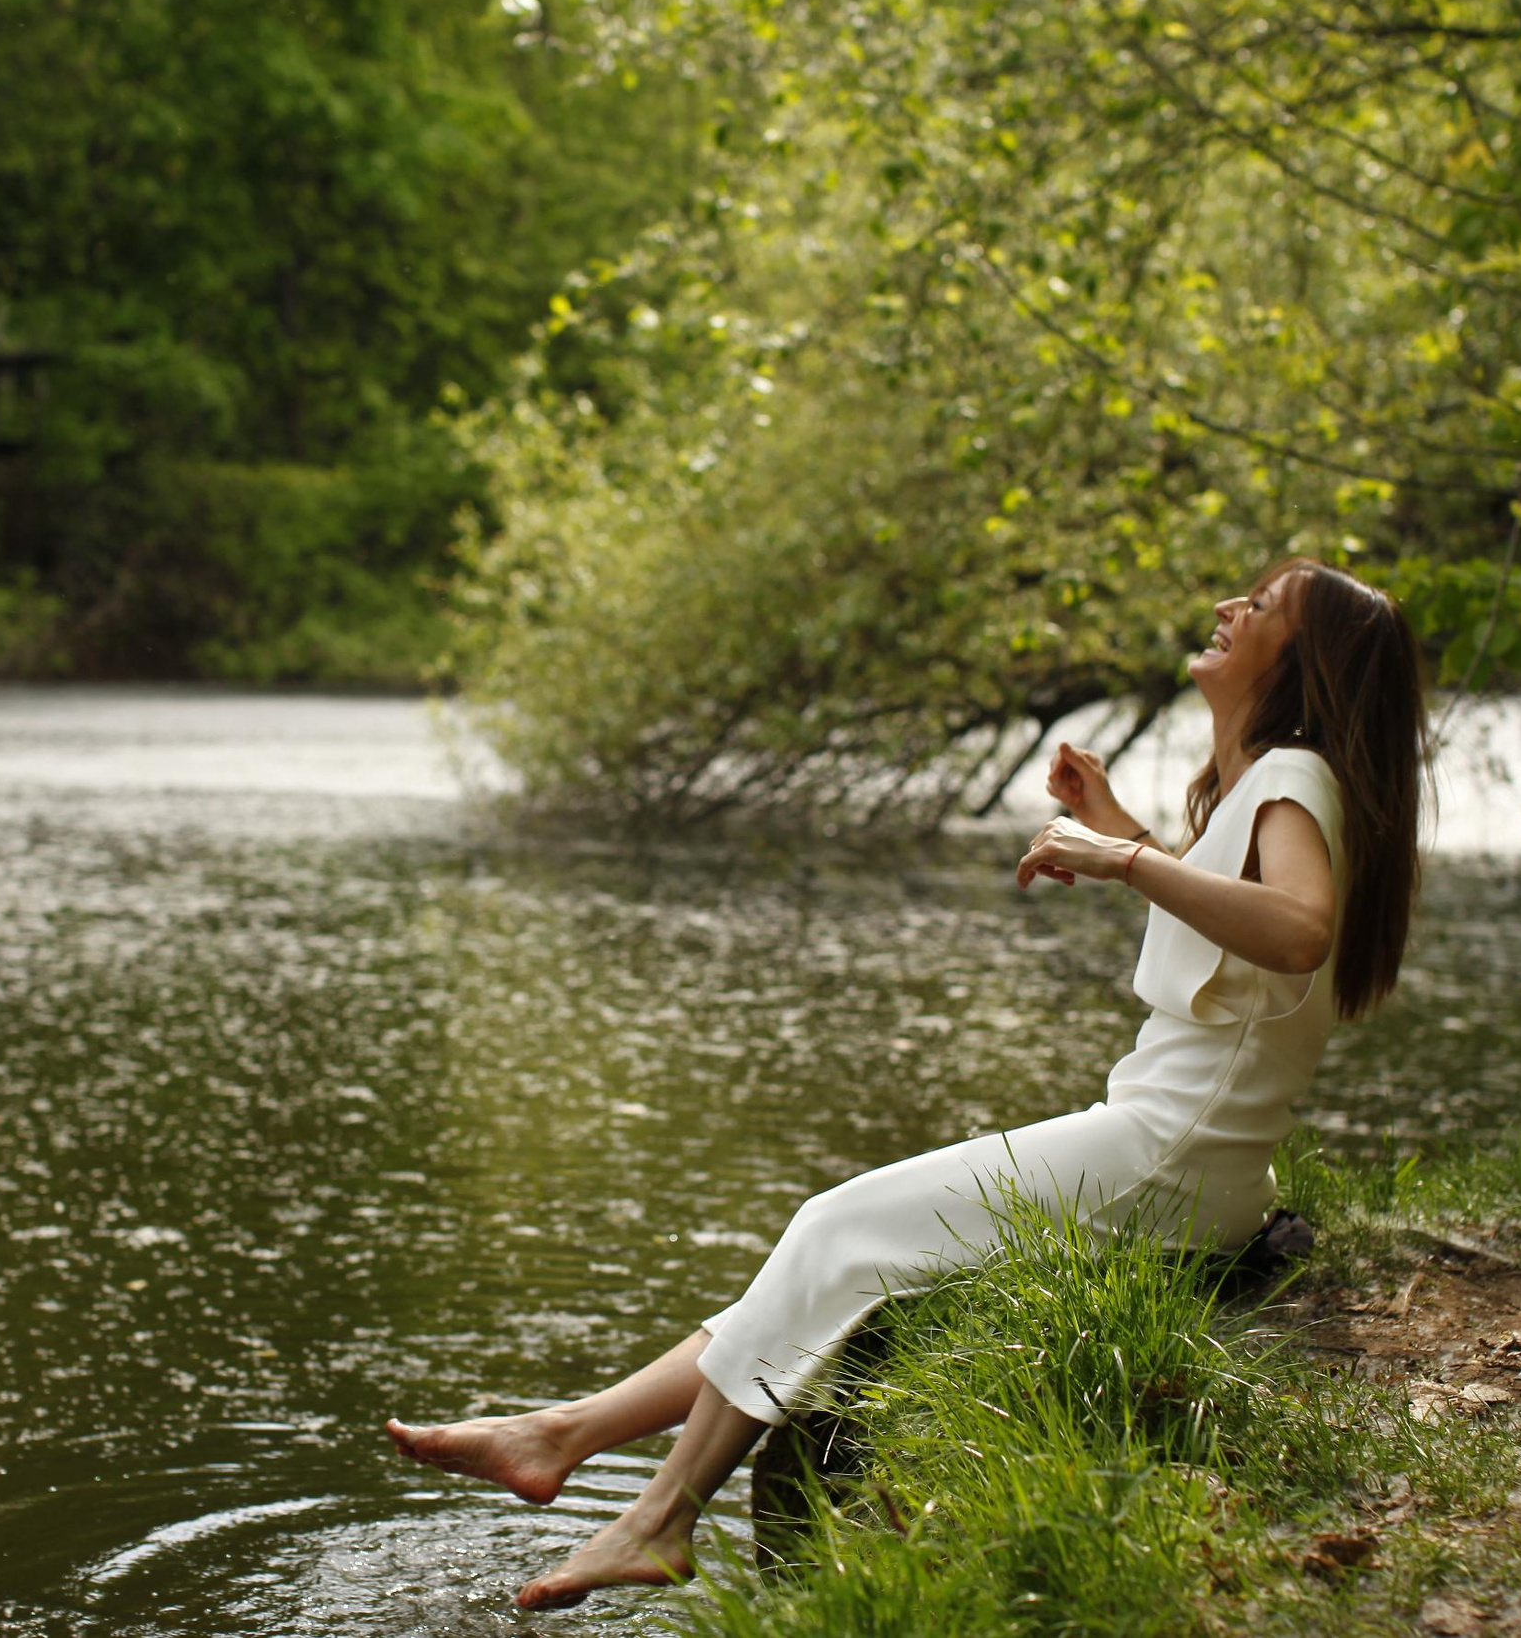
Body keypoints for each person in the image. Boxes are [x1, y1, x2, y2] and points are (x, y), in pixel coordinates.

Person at [384, 556, 1430, 1609]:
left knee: (833, 1227)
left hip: (1167, 1157)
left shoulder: (1296, 779)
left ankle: (655, 1518)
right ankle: (561, 1435)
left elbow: (1298, 931)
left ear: (1304, 666)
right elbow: (1235, 914)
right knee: (829, 1259)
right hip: (1178, 1153)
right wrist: (1119, 826)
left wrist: (1120, 863)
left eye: (1260, 610)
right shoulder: (1277, 782)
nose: (1227, 608)